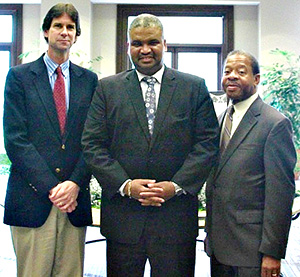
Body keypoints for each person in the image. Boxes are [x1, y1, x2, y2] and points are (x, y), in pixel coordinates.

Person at [82, 13, 219, 277]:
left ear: (165, 44)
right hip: (124, 220)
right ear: (129, 46)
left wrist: (175, 186)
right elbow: (92, 145)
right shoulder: (107, 89)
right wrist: (125, 185)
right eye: (137, 43)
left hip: (175, 220)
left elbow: (207, 144)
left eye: (153, 42)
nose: (145, 50)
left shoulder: (193, 87)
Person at [3, 3, 98, 277]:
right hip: (32, 199)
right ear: (46, 31)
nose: (64, 32)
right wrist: (53, 188)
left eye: (70, 27)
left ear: (76, 35)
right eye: (58, 26)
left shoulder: (89, 81)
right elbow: (15, 140)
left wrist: (74, 184)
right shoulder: (19, 77)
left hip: (73, 200)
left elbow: (92, 140)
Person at [205, 50, 297, 277]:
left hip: (252, 249)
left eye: (240, 71)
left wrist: (272, 252)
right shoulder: (221, 119)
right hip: (219, 246)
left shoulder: (274, 124)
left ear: (256, 79)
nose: (232, 76)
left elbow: (280, 194)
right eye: (227, 71)